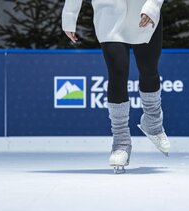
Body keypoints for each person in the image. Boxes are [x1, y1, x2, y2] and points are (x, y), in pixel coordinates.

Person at [62, 0, 170, 173]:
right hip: (109, 14)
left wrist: (153, 6)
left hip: (143, 11)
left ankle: (153, 122)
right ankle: (121, 143)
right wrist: (69, 16)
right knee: (117, 72)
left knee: (148, 71)